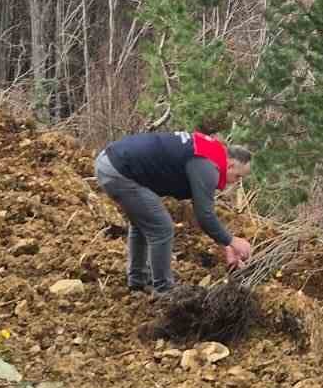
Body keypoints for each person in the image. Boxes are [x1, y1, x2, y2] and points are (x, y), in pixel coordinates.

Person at [93, 125, 253, 296]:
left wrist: (226, 243)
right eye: (238, 176)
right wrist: (232, 241)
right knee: (162, 228)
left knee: (144, 223)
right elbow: (204, 215)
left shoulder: (209, 154)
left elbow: (204, 211)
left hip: (111, 161)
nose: (235, 183)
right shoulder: (208, 166)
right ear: (230, 165)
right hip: (119, 169)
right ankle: (165, 291)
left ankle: (138, 282)